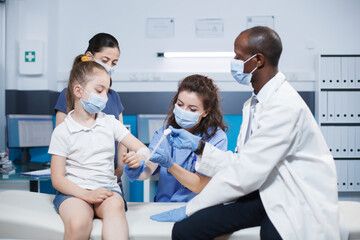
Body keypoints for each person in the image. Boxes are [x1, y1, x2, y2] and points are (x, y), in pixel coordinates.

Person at [151, 26, 348, 239]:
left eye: (238, 56)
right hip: (264, 193)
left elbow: (245, 173)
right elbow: (241, 162)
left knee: (273, 234)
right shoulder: (254, 103)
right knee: (186, 230)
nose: (234, 62)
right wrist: (199, 147)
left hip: (292, 196)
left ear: (258, 61)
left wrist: (191, 207)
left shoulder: (284, 106)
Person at [49, 55, 150, 239]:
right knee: (78, 223)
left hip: (107, 188)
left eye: (107, 91)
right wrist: (86, 195)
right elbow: (57, 179)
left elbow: (143, 149)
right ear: (79, 91)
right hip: (74, 192)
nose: (105, 97)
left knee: (115, 212)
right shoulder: (63, 131)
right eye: (99, 90)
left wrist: (140, 157)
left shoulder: (110, 123)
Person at [124, 74, 228, 202]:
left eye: (192, 109)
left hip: (196, 209)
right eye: (180, 104)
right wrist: (137, 170)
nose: (183, 111)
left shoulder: (216, 138)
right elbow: (149, 167)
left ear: (206, 112)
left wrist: (170, 164)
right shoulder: (165, 133)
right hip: (163, 204)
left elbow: (198, 185)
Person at [54, 33, 126, 181]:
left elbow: (122, 140)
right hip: (77, 178)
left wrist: (120, 169)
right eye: (105, 60)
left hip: (108, 176)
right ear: (89, 56)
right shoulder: (67, 95)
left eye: (114, 63)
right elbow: (60, 140)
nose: (109, 67)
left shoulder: (113, 97)